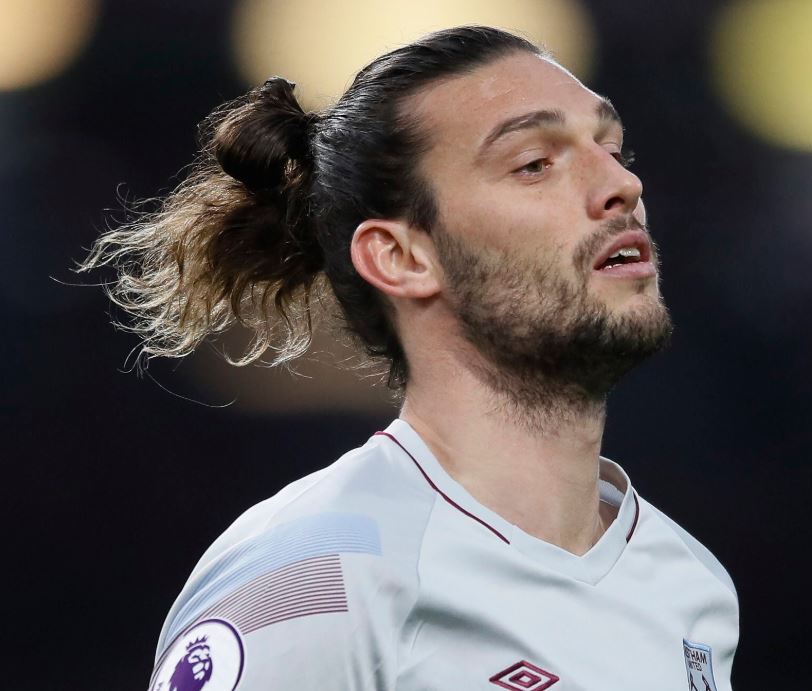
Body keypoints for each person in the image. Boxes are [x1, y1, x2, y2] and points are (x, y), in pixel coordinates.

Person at [83, 25, 738, 691]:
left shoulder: (690, 585)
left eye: (613, 149)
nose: (621, 183)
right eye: (534, 163)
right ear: (401, 257)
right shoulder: (314, 578)